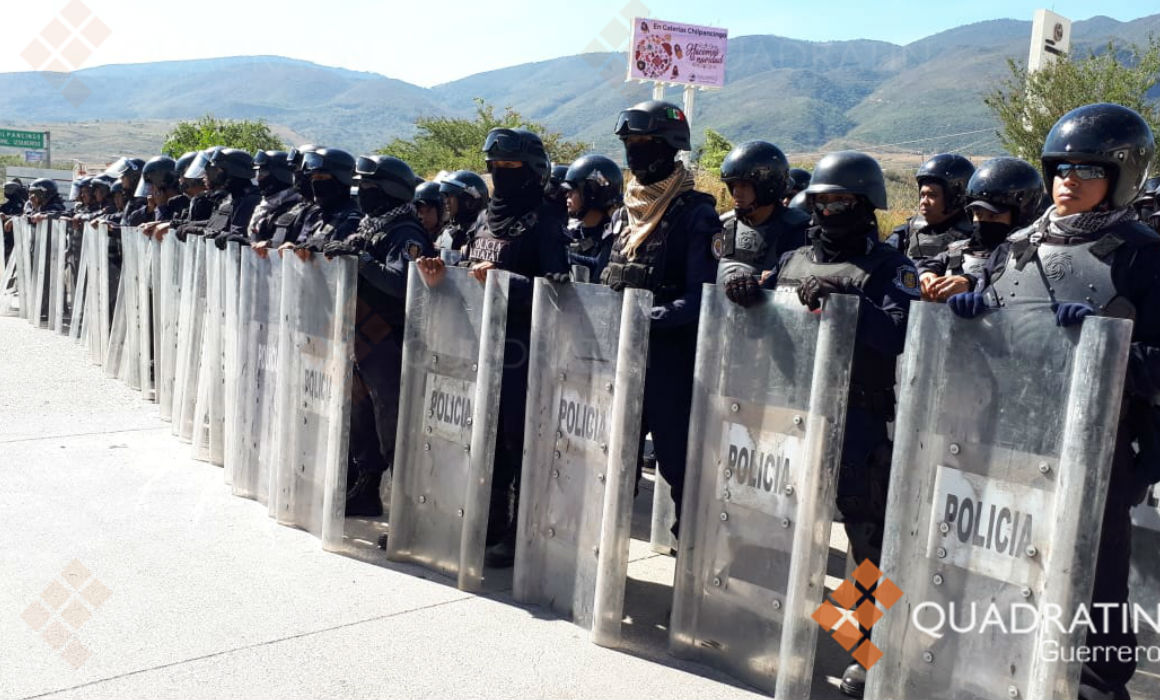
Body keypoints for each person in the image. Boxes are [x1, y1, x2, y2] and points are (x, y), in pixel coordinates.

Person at [948, 103, 1160, 700]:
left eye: (1088, 169)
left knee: (1096, 575)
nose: (1069, 179)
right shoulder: (1015, 247)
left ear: (1121, 175)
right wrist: (968, 326)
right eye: (1061, 168)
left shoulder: (1144, 255)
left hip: (1097, 444)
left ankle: (1100, 685)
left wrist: (1104, 344)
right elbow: (996, 343)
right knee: (1005, 563)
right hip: (1009, 433)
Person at [762, 150, 919, 699]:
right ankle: (766, 621)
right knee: (777, 518)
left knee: (866, 537)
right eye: (821, 201)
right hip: (794, 412)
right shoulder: (793, 259)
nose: (828, 211)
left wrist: (848, 301)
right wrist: (749, 292)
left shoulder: (889, 267)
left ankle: (865, 646)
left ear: (866, 204)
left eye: (841, 201)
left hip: (858, 416)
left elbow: (899, 333)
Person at [414, 127, 569, 568]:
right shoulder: (484, 218)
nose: (502, 174)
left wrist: (505, 282)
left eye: (511, 167)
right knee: (488, 436)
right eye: (496, 167)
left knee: (519, 440)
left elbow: (560, 291)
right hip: (482, 343)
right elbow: (470, 268)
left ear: (532, 170)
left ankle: (523, 531)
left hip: (526, 349)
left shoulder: (547, 220)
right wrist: (442, 275)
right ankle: (491, 521)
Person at [599, 99, 720, 541]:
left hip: (670, 366)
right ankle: (603, 562)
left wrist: (646, 319)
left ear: (669, 146)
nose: (634, 151)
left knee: (681, 469)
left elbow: (701, 298)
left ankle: (695, 563)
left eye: (644, 142)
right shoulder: (624, 212)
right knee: (611, 463)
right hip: (619, 361)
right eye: (629, 142)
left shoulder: (695, 214)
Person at [322, 155, 433, 516]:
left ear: (389, 190)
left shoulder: (406, 233)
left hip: (391, 340)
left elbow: (402, 284)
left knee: (392, 425)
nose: (363, 192)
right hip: (365, 336)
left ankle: (405, 512)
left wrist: (363, 260)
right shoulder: (370, 226)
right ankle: (368, 488)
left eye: (370, 186)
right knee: (362, 417)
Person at [917, 156, 1043, 302]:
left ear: (1020, 217)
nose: (983, 221)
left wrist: (970, 283)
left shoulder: (1029, 257)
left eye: (993, 216)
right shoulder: (957, 251)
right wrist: (926, 275)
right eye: (978, 213)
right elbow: (928, 264)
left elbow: (999, 274)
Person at [714, 140, 810, 306]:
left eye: (744, 185)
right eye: (733, 185)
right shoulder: (725, 225)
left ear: (768, 185)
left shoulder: (797, 229)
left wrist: (773, 281)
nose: (736, 193)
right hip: (721, 317)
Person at [886, 153, 975, 261]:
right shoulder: (907, 233)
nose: (924, 202)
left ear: (955, 197)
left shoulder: (975, 237)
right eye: (922, 195)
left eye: (932, 195)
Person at [561, 153, 623, 281]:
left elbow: (599, 268)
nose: (567, 195)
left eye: (573, 191)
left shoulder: (614, 237)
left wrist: (562, 256)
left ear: (591, 193)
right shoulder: (575, 232)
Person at [293, 147, 362, 255]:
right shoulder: (316, 215)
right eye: (313, 178)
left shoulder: (353, 220)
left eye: (321, 178)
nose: (315, 183)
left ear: (341, 180)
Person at [247, 150, 300, 243]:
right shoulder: (264, 206)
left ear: (281, 175)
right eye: (259, 173)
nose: (258, 178)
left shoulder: (294, 209)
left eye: (263, 173)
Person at [435, 170, 488, 253]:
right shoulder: (449, 230)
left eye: (451, 195)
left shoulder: (483, 233)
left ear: (468, 200)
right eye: (446, 196)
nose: (446, 201)